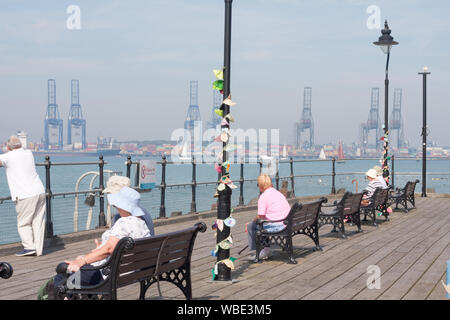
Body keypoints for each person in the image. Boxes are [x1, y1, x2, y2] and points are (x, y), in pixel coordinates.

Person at [56, 186, 152, 289]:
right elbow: (114, 247)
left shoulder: (124, 222)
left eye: (116, 204)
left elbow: (109, 249)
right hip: (130, 272)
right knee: (73, 272)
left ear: (122, 206)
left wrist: (82, 261)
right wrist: (96, 251)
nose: (115, 206)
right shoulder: (142, 224)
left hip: (107, 274)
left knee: (61, 275)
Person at [0, 136, 46, 257]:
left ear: (8, 147)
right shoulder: (29, 153)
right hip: (40, 191)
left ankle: (29, 247)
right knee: (38, 221)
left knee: (23, 223)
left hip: (24, 195)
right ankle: (39, 250)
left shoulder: (7, 157)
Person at [246, 174, 291, 261]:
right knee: (262, 224)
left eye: (258, 185)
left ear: (261, 186)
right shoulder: (278, 193)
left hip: (278, 226)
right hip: (287, 222)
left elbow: (261, 216)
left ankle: (258, 251)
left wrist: (252, 221)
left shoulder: (263, 197)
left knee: (252, 226)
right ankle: (266, 249)